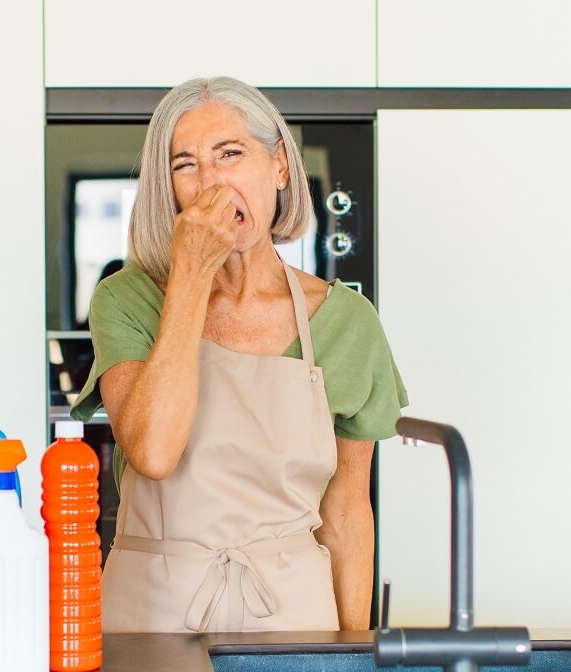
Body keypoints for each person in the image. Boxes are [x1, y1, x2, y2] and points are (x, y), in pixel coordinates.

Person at [71, 76, 407, 633]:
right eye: (186, 165)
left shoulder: (347, 322)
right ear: (170, 191)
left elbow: (347, 513)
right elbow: (153, 452)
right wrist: (191, 274)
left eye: (230, 154)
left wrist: (354, 668)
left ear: (279, 167)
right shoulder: (126, 299)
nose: (211, 183)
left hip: (294, 618)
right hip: (149, 618)